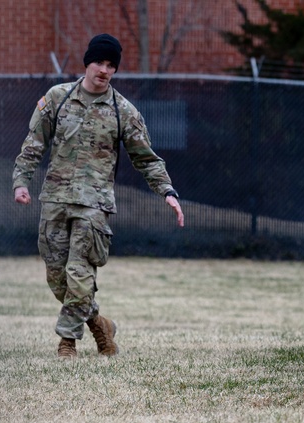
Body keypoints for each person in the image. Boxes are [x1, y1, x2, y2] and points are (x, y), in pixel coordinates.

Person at [12, 33, 184, 358]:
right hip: (55, 200)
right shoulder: (57, 98)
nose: (104, 70)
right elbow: (33, 145)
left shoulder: (123, 111)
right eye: (99, 62)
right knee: (58, 277)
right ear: (87, 63)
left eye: (111, 65)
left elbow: (145, 157)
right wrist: (21, 182)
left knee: (79, 273)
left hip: (94, 204)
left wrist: (167, 191)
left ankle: (67, 342)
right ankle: (100, 325)